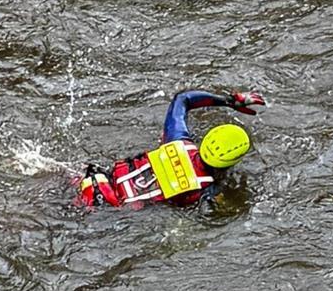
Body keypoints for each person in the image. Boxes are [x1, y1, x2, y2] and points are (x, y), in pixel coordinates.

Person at [77, 89, 266, 208]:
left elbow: (183, 99)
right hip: (106, 212)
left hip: (93, 179)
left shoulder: (177, 142)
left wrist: (229, 100)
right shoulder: (206, 191)